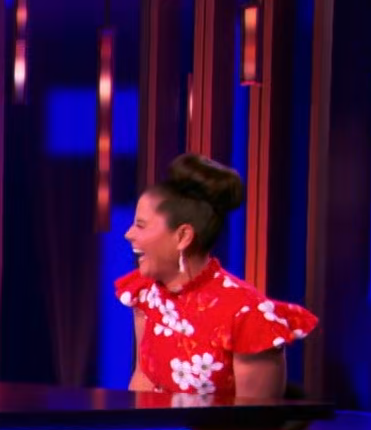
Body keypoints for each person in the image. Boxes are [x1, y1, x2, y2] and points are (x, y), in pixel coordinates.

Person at [117, 153, 315, 400]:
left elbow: (255, 418)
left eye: (141, 225)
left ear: (183, 237)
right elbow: (143, 380)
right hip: (159, 426)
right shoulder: (146, 293)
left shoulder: (247, 314)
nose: (128, 234)